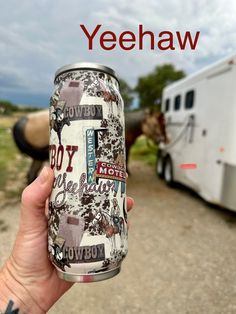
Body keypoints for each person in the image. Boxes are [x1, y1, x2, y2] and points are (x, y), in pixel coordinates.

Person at [0, 167, 134, 313]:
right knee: (70, 225)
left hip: (94, 218)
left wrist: (17, 287)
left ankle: (112, 239)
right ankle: (63, 249)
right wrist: (18, 286)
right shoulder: (72, 212)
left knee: (116, 218)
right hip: (68, 229)